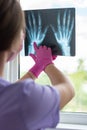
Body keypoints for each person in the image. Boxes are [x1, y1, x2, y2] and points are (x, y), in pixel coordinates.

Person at [0, 0, 75, 130]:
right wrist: (47, 64)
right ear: (16, 42)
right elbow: (68, 89)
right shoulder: (24, 99)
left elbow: (7, 95)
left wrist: (36, 68)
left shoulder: (13, 99)